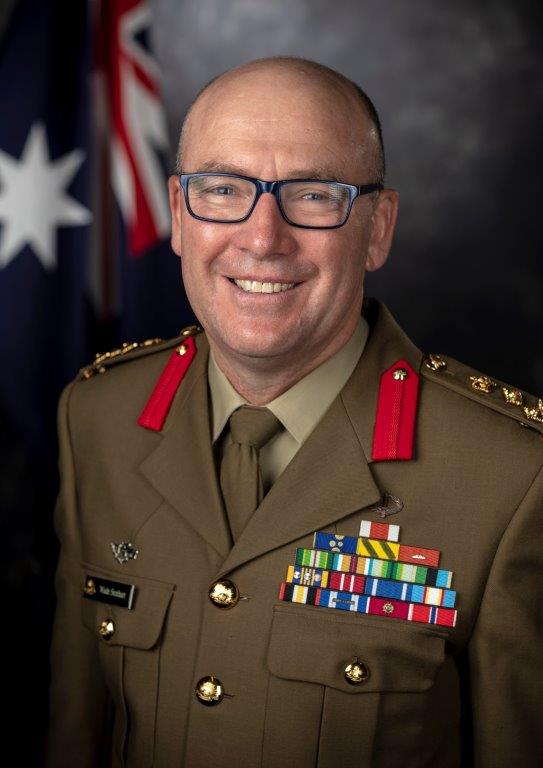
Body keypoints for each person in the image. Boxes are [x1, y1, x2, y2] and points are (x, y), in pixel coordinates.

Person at [45, 57, 543, 768]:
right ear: (179, 216)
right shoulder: (98, 417)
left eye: (312, 195)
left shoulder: (511, 476)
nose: (262, 237)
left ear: (376, 228)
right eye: (222, 189)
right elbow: (76, 730)